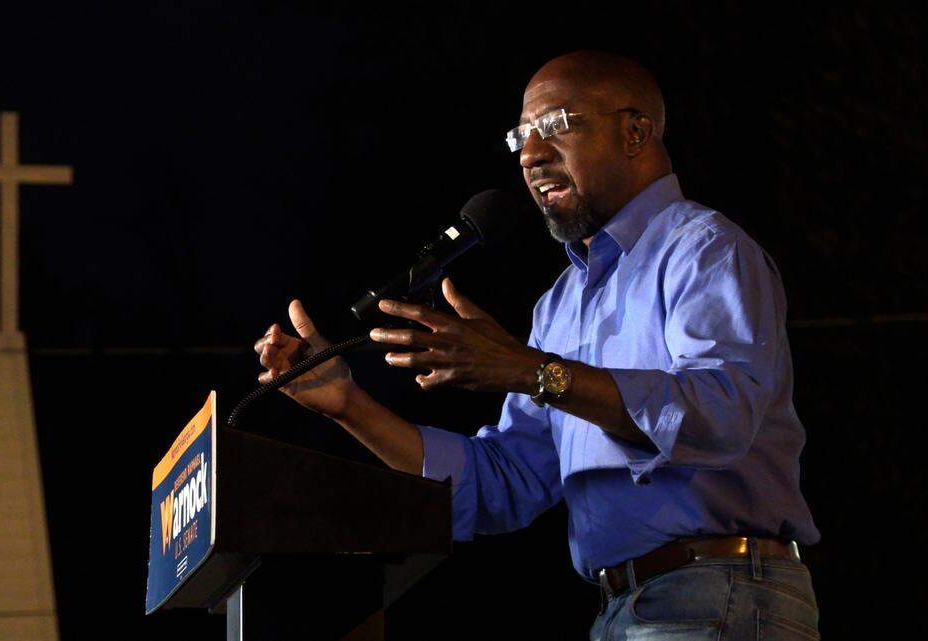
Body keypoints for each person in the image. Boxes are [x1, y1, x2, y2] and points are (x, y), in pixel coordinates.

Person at [253, 51, 820, 640]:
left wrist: (534, 371)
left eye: (554, 126)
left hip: (717, 591)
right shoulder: (560, 304)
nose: (529, 156)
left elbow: (720, 413)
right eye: (520, 137)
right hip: (621, 608)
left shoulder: (702, 251)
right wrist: (350, 407)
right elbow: (502, 483)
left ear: (635, 132)